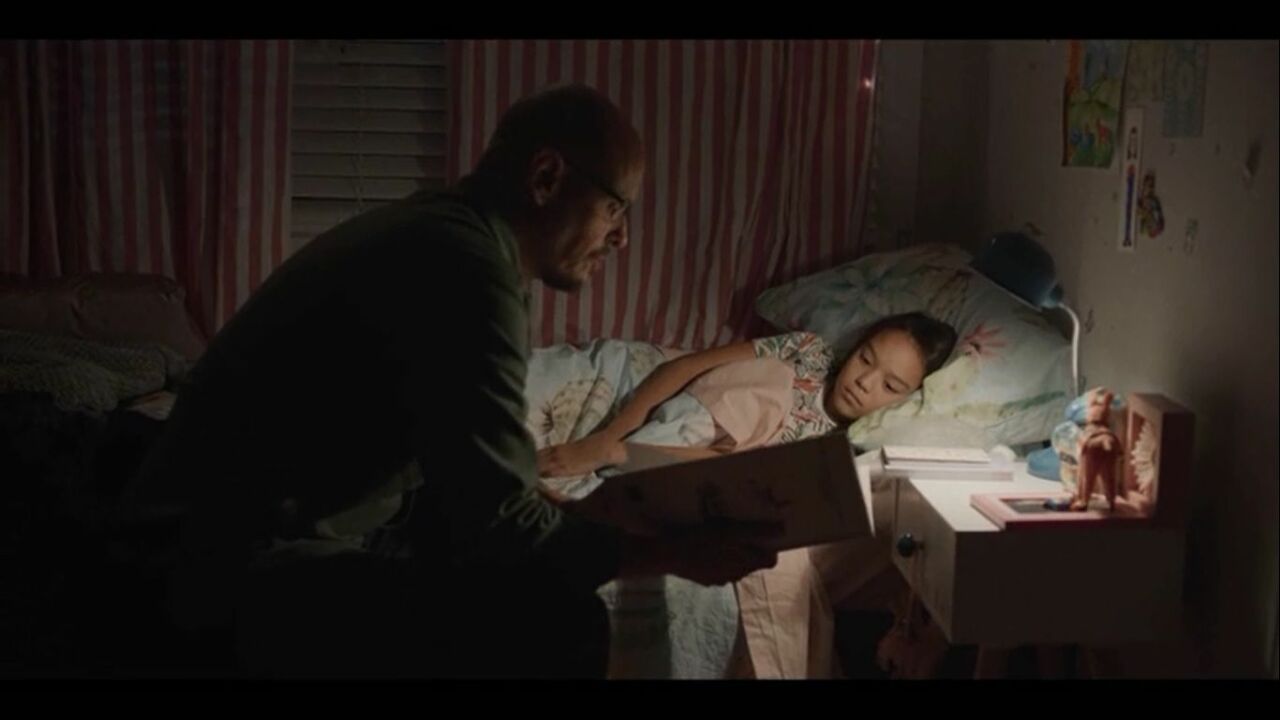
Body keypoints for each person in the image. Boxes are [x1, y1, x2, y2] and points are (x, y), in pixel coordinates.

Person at [120, 84, 778, 678]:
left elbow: (466, 474)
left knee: (482, 558)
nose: (622, 237)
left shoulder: (449, 233)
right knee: (556, 621)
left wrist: (573, 513)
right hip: (216, 564)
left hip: (248, 530)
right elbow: (498, 523)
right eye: (614, 208)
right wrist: (671, 555)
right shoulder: (466, 271)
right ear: (546, 177)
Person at [538, 312, 957, 478]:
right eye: (865, 358)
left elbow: (728, 466)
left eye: (890, 386)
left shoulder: (833, 450)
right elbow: (684, 367)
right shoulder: (809, 352)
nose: (864, 381)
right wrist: (608, 438)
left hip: (663, 456)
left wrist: (620, 454)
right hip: (639, 386)